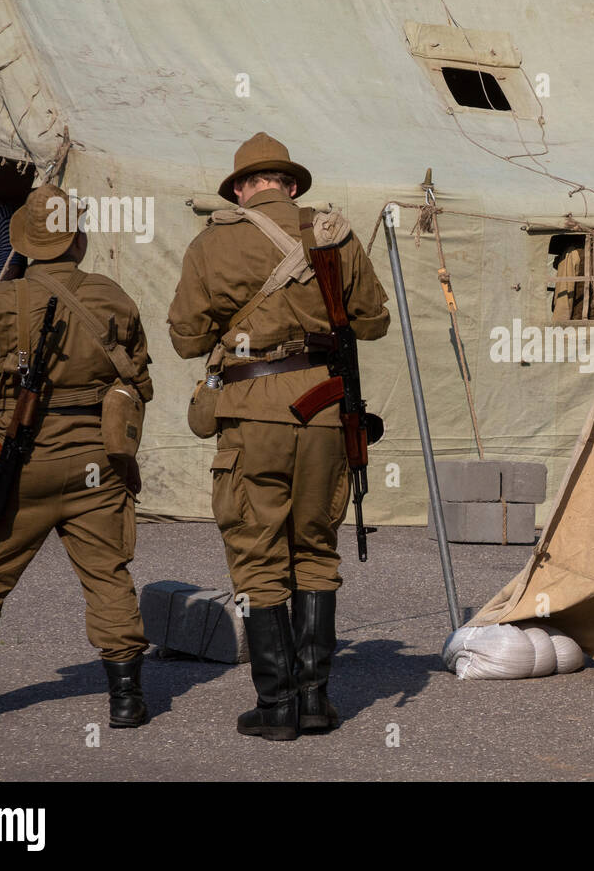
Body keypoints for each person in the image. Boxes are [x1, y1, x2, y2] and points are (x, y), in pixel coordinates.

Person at [0, 184, 155, 728]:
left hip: (18, 459)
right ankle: (127, 697)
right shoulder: (114, 298)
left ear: (29, 243)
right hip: (97, 461)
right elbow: (140, 379)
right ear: (78, 238)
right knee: (108, 575)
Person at [168, 133, 390, 741]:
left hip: (250, 412)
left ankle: (277, 707)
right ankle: (316, 700)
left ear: (241, 189)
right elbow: (374, 322)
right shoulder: (335, 233)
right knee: (316, 551)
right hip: (323, 409)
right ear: (291, 185)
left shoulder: (213, 241)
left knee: (259, 553)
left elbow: (187, 339)